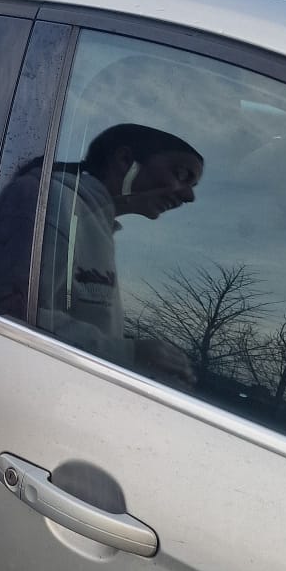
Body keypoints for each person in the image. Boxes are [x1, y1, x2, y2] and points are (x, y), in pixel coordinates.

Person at [38, 122, 204, 380]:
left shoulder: (95, 223)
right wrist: (131, 354)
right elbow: (11, 318)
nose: (189, 197)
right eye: (182, 175)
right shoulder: (53, 207)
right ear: (125, 160)